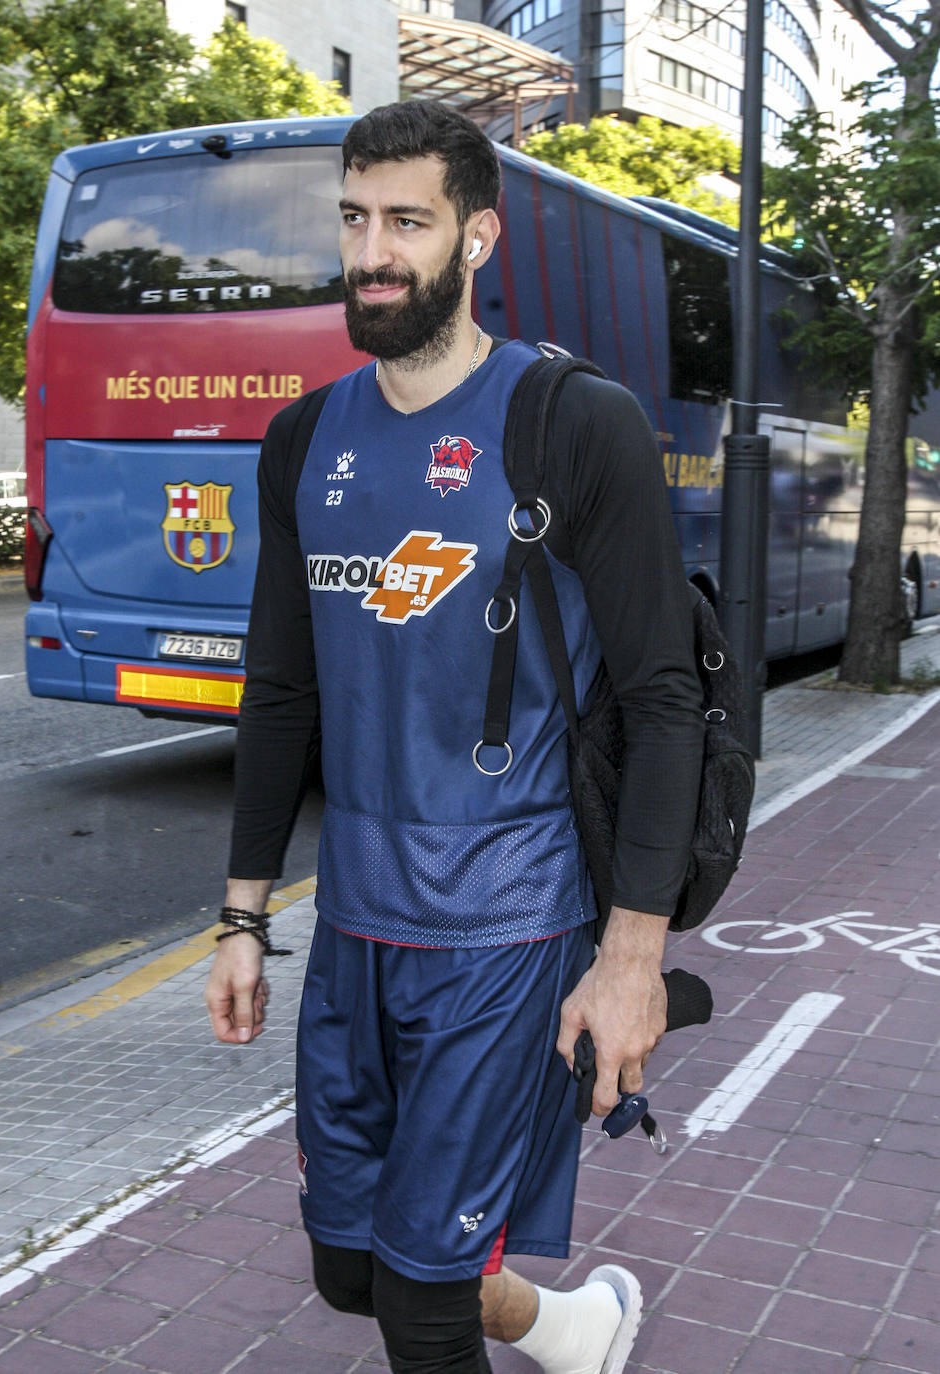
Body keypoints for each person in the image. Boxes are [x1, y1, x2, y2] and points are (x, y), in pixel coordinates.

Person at [205, 99, 704, 1374]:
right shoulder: (303, 437)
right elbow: (279, 689)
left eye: (407, 223)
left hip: (508, 929)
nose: (373, 252)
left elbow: (660, 698)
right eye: (356, 219)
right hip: (358, 926)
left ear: (475, 238)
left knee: (424, 1307)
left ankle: (515, 1320)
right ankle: (571, 1329)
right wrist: (243, 914)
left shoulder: (565, 422)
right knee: (351, 1272)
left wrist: (631, 956)